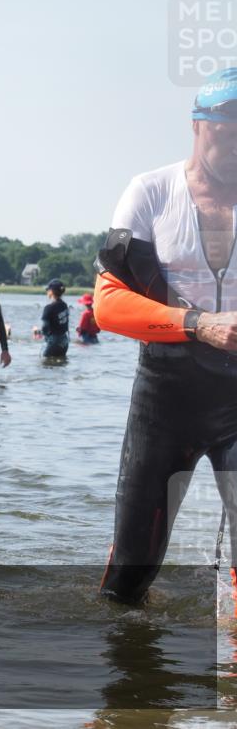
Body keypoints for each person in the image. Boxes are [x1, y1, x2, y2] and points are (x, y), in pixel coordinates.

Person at [96, 68, 237, 605]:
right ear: (199, 125)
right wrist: (201, 323)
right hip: (167, 395)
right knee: (130, 575)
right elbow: (108, 305)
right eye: (230, 131)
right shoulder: (150, 193)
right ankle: (126, 675)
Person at [41, 278, 70, 358]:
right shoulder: (64, 305)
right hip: (64, 341)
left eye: (48, 290)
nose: (47, 292)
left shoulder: (49, 308)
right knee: (60, 362)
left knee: (45, 362)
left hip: (54, 340)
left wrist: (40, 333)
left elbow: (45, 327)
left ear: (51, 292)